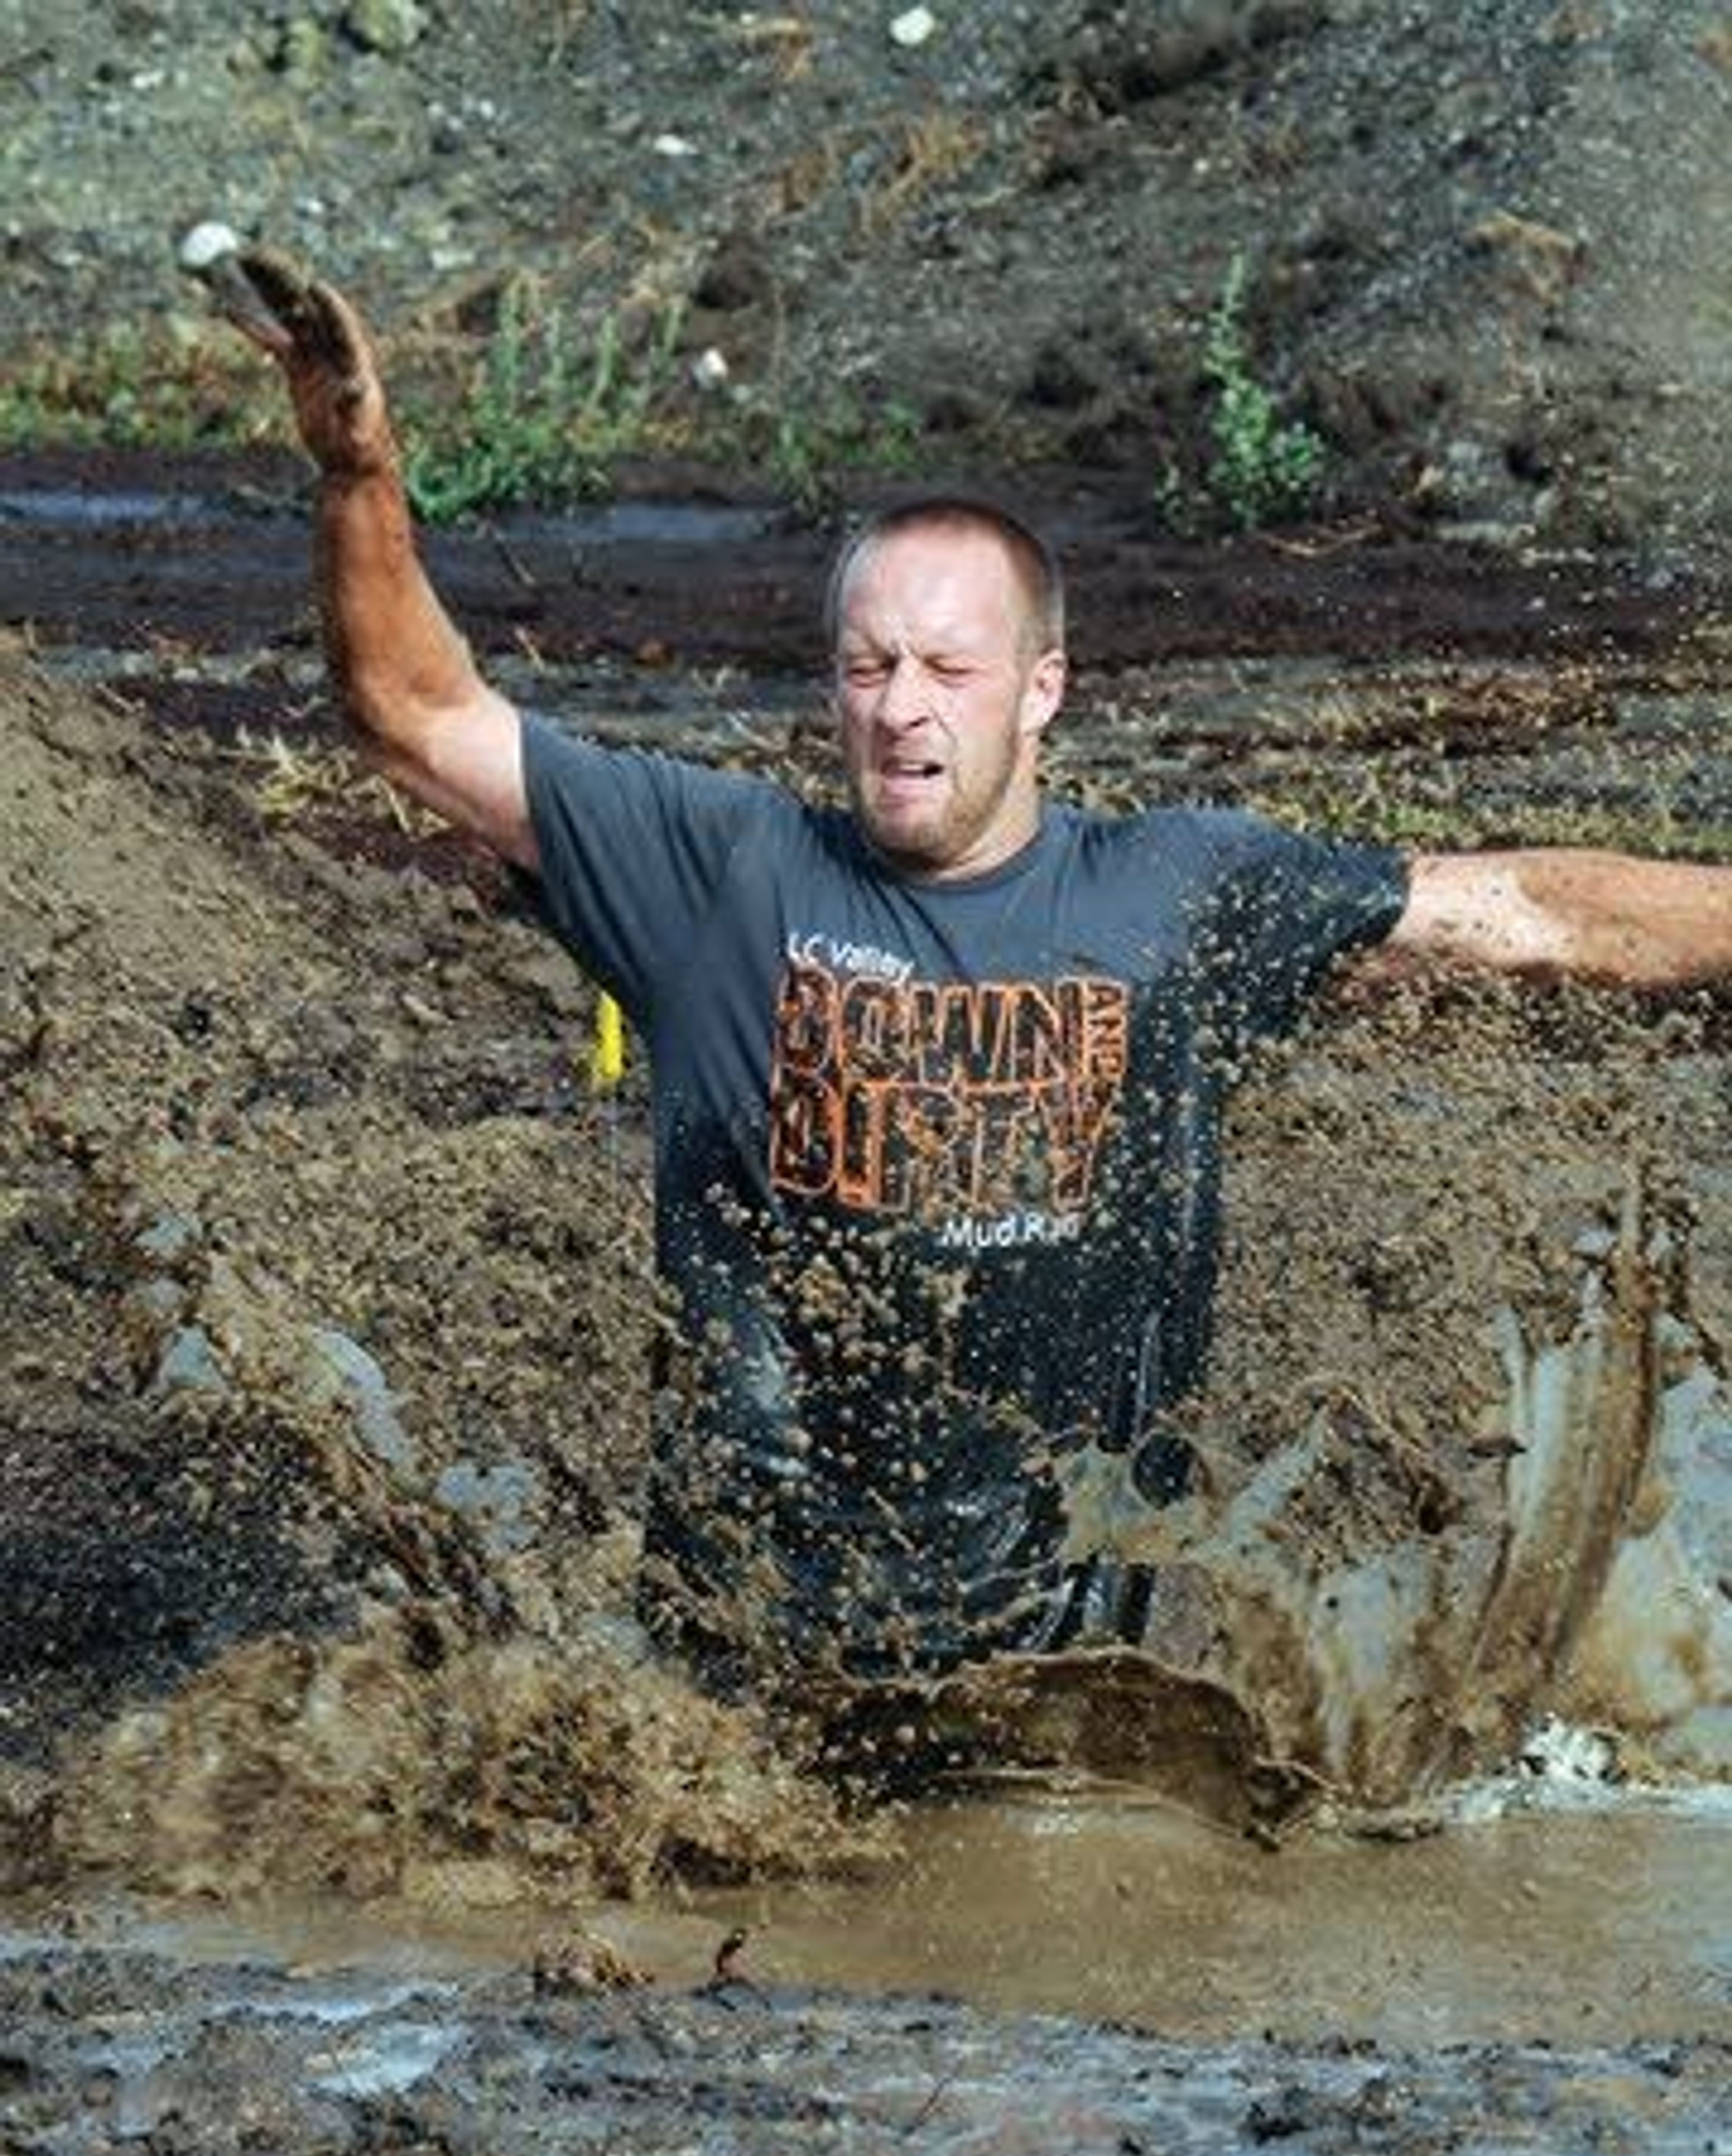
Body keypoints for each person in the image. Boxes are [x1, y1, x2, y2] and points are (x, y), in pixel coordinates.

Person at [214, 251, 1731, 1691]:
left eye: (950, 670)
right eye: (870, 668)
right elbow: (417, 715)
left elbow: (1524, 911)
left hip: (1073, 1689)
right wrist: (359, 471)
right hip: (750, 1677)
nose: (901, 711)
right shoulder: (721, 869)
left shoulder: (1175, 891)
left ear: (1042, 691)